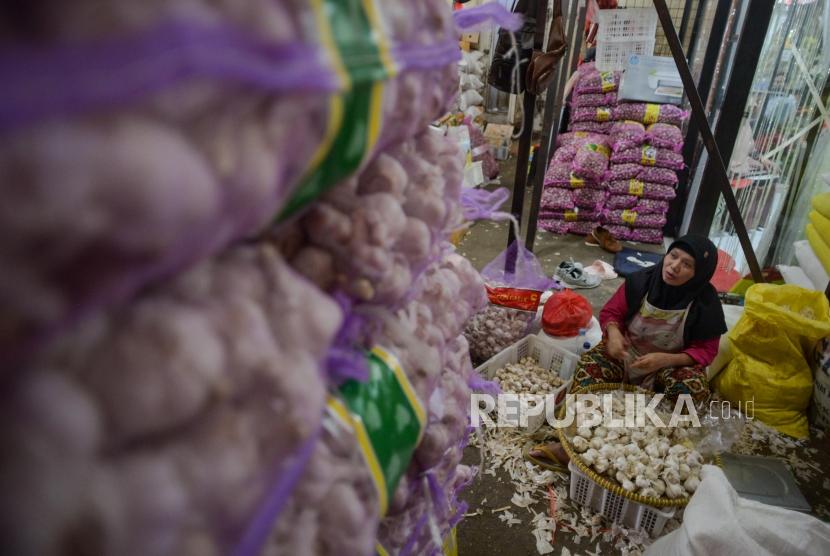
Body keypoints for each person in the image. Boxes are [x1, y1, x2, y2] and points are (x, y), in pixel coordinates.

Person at [526, 234, 727, 470]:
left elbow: (706, 351)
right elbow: (612, 312)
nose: (674, 266)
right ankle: (572, 445)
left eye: (687, 265)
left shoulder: (706, 304)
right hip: (627, 355)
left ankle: (655, 454)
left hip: (670, 367)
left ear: (699, 274)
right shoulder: (641, 281)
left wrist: (666, 360)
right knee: (591, 366)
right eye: (673, 256)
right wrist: (613, 334)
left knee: (693, 388)